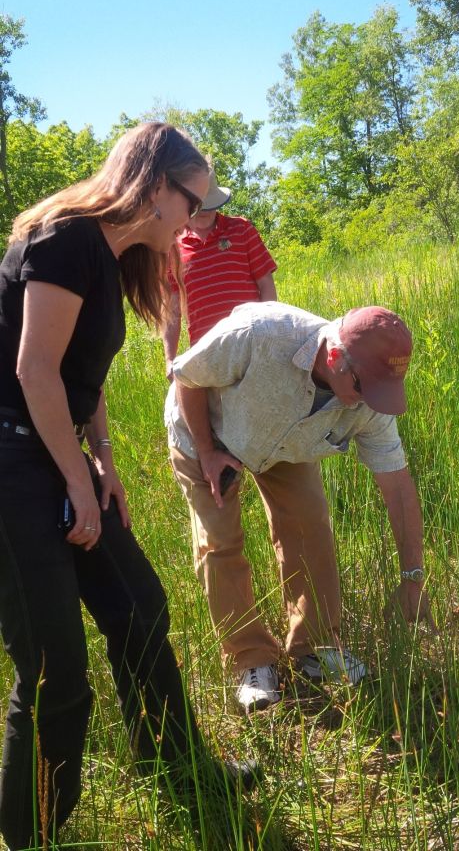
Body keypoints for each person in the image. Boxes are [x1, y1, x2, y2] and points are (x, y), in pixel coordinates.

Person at [0, 122, 256, 851]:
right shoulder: (62, 239)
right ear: (154, 187)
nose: (197, 218)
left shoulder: (112, 262)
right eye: (193, 201)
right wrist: (78, 481)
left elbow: (83, 377)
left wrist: (103, 462)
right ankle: (33, 835)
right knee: (54, 669)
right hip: (12, 463)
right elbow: (33, 370)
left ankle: (176, 767)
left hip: (58, 450)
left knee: (139, 606)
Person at [165, 301, 437, 714]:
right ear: (333, 358)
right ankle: (251, 661)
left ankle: (314, 646)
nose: (370, 403)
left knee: (310, 526)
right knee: (220, 541)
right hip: (205, 429)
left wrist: (412, 579)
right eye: (366, 388)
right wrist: (206, 451)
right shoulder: (259, 335)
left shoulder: (369, 402)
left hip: (286, 445)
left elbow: (397, 488)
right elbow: (187, 376)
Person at [162, 167, 277, 379]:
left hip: (250, 347)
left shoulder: (242, 229)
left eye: (212, 204)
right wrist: (170, 359)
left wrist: (268, 333)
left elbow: (266, 285)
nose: (206, 210)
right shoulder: (172, 244)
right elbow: (172, 308)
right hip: (204, 353)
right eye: (200, 205)